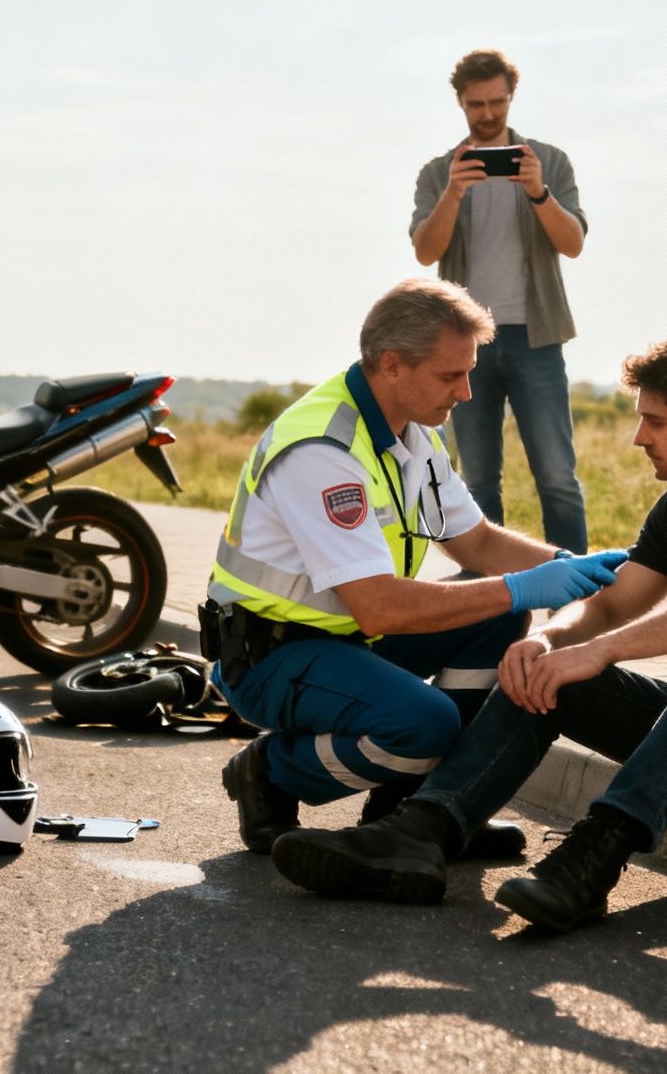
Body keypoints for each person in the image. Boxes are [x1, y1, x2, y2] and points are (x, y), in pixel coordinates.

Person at [267, 332, 667, 933]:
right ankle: (421, 830)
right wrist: (549, 642)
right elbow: (606, 607)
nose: (639, 437)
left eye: (656, 421)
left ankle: (594, 857)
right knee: (550, 673)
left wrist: (600, 652)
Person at [205, 277, 629, 858]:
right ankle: (270, 771)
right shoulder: (322, 450)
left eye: (469, 373)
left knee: (499, 618)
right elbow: (380, 606)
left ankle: (415, 809)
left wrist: (573, 566)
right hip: (272, 657)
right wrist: (522, 587)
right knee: (427, 723)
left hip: (346, 640)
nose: (467, 393)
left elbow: (477, 543)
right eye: (451, 375)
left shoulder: (413, 433)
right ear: (392, 365)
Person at [410, 48, 590, 554]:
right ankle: (487, 585)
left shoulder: (548, 161)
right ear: (460, 103)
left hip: (537, 335)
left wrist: (538, 192)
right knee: (478, 479)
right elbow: (426, 252)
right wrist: (452, 194)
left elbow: (573, 243)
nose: (487, 113)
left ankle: (576, 583)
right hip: (463, 344)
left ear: (512, 97)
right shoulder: (437, 173)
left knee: (557, 475)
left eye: (497, 102)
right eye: (476, 104)